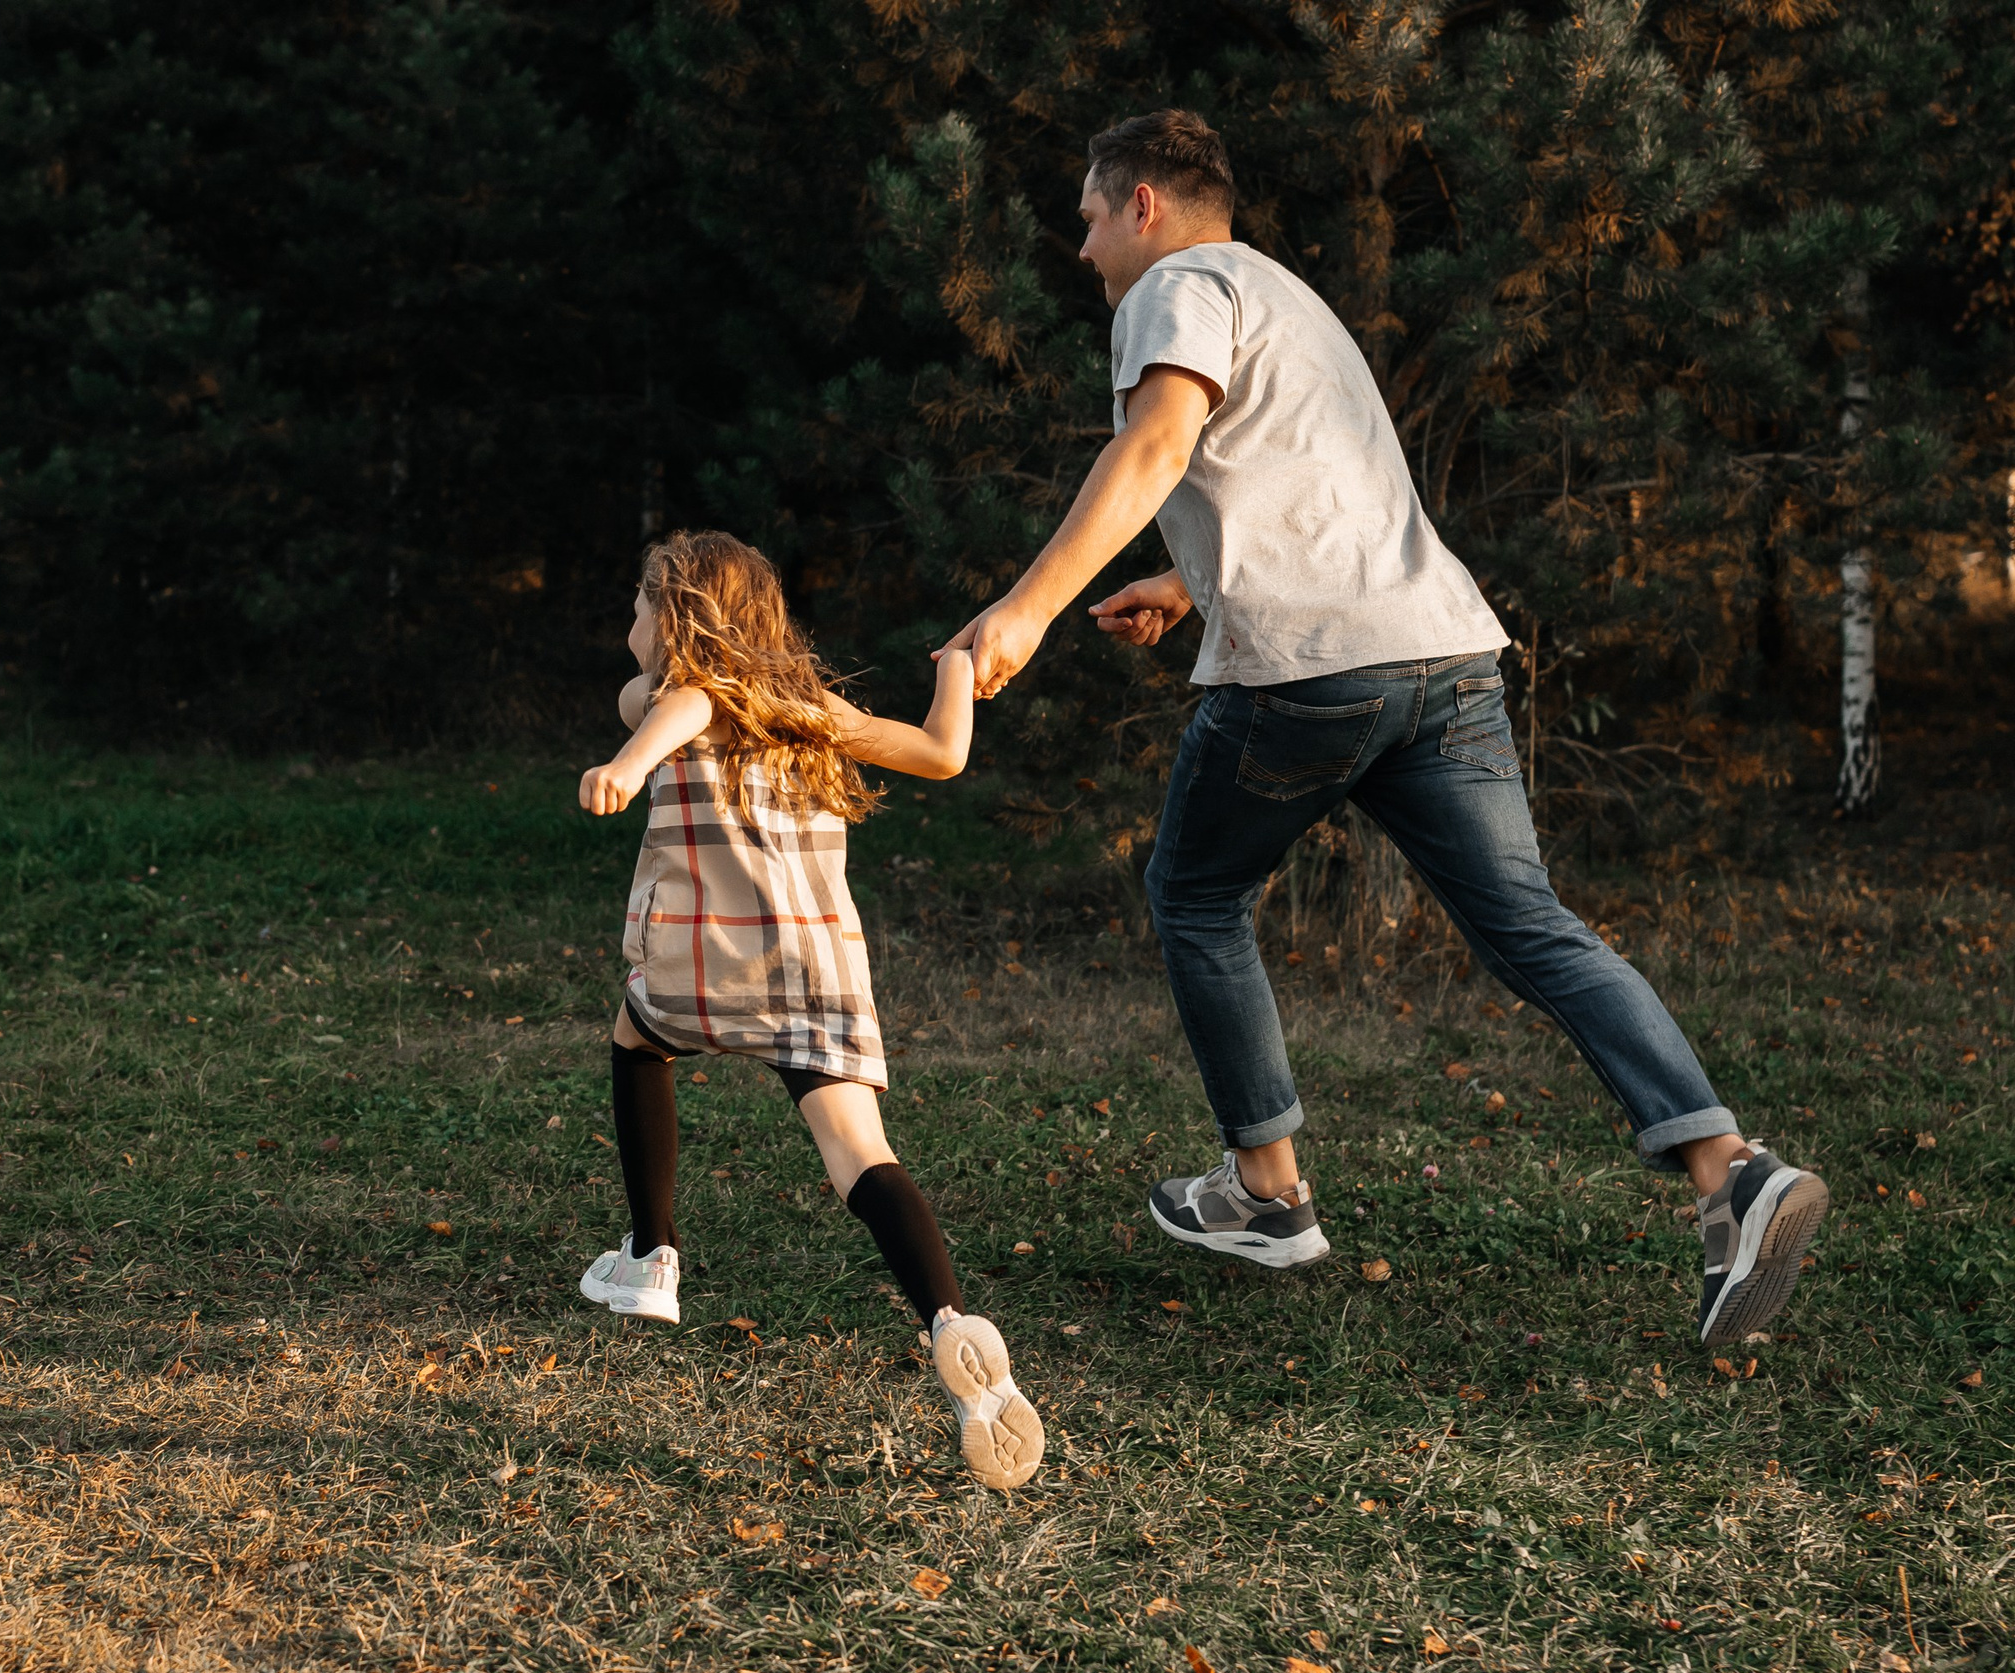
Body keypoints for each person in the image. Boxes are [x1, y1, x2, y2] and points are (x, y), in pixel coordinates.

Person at [939, 111, 1827, 1346]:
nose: (1082, 249)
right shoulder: (1287, 298)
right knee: (1531, 926)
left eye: (1088, 219)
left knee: (1194, 894)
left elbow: (1155, 447)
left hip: (1310, 670)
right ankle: (1729, 1171)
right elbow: (1316, 478)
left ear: (1142, 203)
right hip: (1442, 651)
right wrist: (1189, 582)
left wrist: (1024, 609)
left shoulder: (1173, 286)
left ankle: (1267, 1195)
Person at [576, 529, 1043, 1488]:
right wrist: (956, 667)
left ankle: (652, 1255)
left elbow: (690, 702)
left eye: (640, 604)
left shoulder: (666, 695)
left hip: (705, 964)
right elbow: (943, 752)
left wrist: (629, 762)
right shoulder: (814, 711)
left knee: (636, 1042)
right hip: (815, 970)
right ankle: (951, 1322)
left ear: (681, 618)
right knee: (861, 1155)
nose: (630, 619)